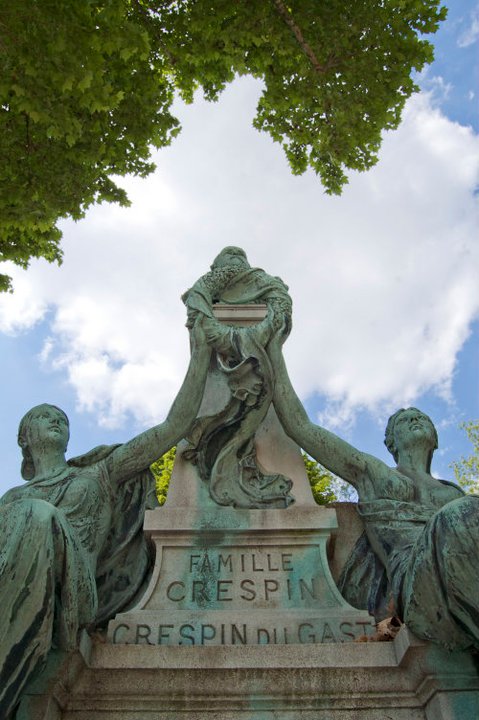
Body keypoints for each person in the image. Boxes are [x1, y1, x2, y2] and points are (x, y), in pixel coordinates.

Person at [0, 321, 210, 718]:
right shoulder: (12, 498)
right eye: (44, 416)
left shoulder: (98, 474)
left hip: (74, 592)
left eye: (62, 418)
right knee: (29, 512)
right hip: (17, 585)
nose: (56, 420)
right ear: (24, 437)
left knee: (37, 514)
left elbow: (175, 426)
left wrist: (201, 351)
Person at [268, 333, 479, 652]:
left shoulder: (454, 493)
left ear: (436, 439)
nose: (415, 419)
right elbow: (301, 427)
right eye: (404, 421)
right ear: (390, 443)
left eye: (421, 418)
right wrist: (272, 349)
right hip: (416, 584)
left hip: (457, 574)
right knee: (461, 513)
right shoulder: (377, 475)